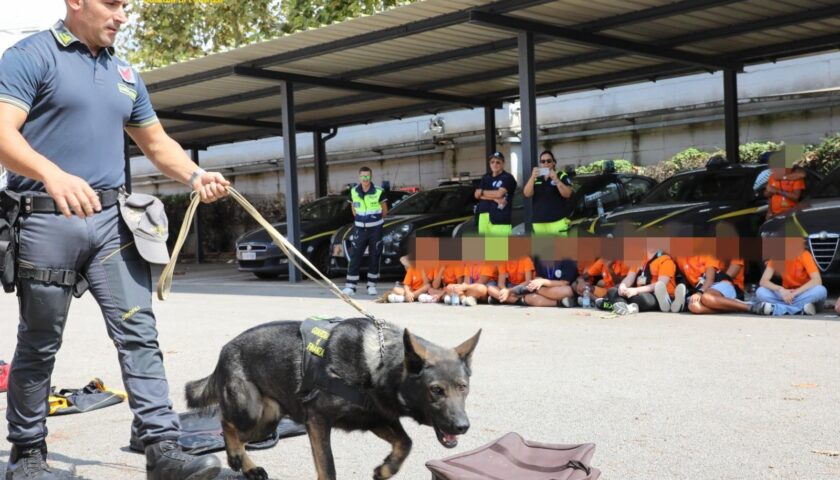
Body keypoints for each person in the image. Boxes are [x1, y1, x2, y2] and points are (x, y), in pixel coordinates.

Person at [0, 2, 229, 479]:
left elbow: (156, 142)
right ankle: (28, 455)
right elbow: (2, 132)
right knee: (39, 342)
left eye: (126, 6)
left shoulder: (124, 72)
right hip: (46, 220)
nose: (122, 15)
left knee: (139, 334)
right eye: (112, 3)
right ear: (75, 1)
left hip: (112, 223)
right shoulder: (31, 55)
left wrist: (195, 174)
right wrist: (51, 174)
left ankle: (162, 449)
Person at [342, 166, 388, 296]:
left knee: (375, 255)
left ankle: (372, 285)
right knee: (355, 255)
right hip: (360, 229)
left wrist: (374, 220)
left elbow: (385, 210)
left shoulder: (379, 191)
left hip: (375, 229)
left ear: (371, 177)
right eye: (363, 176)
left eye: (367, 176)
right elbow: (353, 208)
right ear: (359, 177)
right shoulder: (354, 191)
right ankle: (351, 286)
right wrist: (360, 220)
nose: (365, 179)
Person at [754, 240, 827, 316]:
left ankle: (778, 308)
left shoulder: (804, 254)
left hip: (803, 293)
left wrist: (795, 293)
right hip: (786, 294)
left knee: (820, 290)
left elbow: (817, 280)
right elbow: (763, 281)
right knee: (760, 291)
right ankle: (800, 309)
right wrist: (781, 290)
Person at [600, 248, 682, 314]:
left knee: (642, 299)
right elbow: (629, 278)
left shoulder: (666, 260)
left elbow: (661, 284)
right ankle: (626, 307)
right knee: (613, 291)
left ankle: (612, 304)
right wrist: (623, 286)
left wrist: (636, 290)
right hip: (638, 292)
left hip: (656, 295)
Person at [523, 150, 573, 235]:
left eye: (549, 161)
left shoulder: (561, 175)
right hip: (538, 223)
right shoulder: (536, 177)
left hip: (557, 221)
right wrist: (532, 177)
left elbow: (568, 194)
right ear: (540, 163)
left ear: (554, 162)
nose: (546, 163)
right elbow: (527, 194)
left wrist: (556, 179)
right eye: (543, 161)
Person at [504, 258, 577, 307]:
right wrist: (535, 283)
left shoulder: (567, 259)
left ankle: (534, 291)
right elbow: (538, 278)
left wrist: (542, 282)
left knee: (568, 291)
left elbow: (564, 282)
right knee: (529, 298)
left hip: (558, 289)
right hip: (545, 290)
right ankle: (560, 303)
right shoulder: (540, 260)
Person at [474, 152, 517, 236]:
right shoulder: (486, 177)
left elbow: (499, 194)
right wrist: (493, 198)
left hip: (500, 218)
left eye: (498, 162)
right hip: (483, 216)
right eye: (492, 162)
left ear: (503, 163)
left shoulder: (508, 177)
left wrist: (483, 193)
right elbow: (476, 195)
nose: (495, 164)